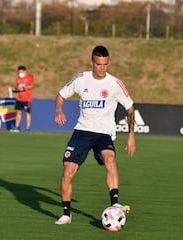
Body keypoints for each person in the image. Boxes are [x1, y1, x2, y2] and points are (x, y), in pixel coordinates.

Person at [54, 45, 136, 225]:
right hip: (82, 131)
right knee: (68, 171)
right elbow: (60, 95)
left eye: (105, 64)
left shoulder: (115, 84)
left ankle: (115, 204)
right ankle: (66, 214)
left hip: (103, 133)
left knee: (110, 160)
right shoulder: (80, 79)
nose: (102, 68)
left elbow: (130, 109)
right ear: (92, 62)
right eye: (99, 64)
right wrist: (59, 110)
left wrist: (131, 134)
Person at [10, 66, 35, 132]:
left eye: (21, 72)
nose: (20, 73)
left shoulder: (29, 77)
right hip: (19, 99)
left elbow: (31, 86)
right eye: (19, 72)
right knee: (18, 113)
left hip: (27, 99)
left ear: (25, 71)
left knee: (27, 113)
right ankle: (16, 127)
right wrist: (15, 89)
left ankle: (28, 128)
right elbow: (17, 87)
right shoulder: (18, 78)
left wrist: (23, 88)